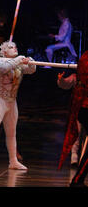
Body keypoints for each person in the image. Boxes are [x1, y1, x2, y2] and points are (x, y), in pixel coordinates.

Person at [0, 40, 36, 170]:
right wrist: (19, 59)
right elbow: (3, 68)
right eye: (11, 47)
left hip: (12, 101)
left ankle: (13, 161)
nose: (15, 48)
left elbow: (31, 70)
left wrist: (30, 61)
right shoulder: (0, 62)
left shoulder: (18, 64)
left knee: (11, 133)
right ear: (4, 52)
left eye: (15, 46)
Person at [58, 50, 88, 187]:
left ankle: (78, 179)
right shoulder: (84, 62)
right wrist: (62, 80)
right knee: (77, 137)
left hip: (83, 107)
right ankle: (77, 178)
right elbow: (68, 83)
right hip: (84, 106)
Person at [57, 71, 83, 166]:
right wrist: (61, 79)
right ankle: (74, 156)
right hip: (78, 109)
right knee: (77, 132)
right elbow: (65, 84)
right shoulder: (76, 77)